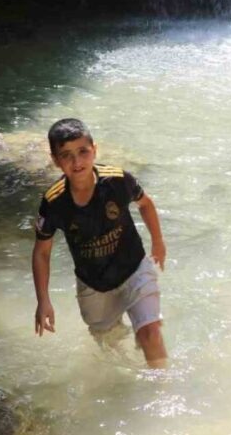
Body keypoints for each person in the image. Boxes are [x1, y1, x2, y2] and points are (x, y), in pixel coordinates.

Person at [31, 118, 169, 368]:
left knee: (150, 332)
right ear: (55, 160)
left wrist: (158, 243)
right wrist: (43, 300)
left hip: (134, 268)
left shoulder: (117, 181)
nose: (77, 162)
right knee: (111, 345)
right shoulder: (53, 203)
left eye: (83, 152)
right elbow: (42, 252)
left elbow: (146, 204)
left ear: (94, 149)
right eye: (66, 155)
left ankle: (163, 390)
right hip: (93, 284)